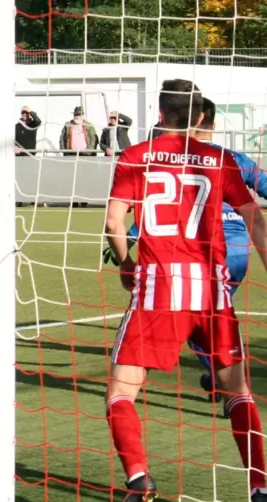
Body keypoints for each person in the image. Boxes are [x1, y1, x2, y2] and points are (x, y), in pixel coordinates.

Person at [104, 78, 267, 501]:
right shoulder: (220, 159)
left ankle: (139, 479)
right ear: (200, 116)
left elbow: (113, 223)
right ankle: (259, 484)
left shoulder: (135, 156)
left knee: (122, 391)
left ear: (160, 115)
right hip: (212, 292)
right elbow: (255, 219)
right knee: (237, 391)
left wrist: (126, 264)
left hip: (158, 290)